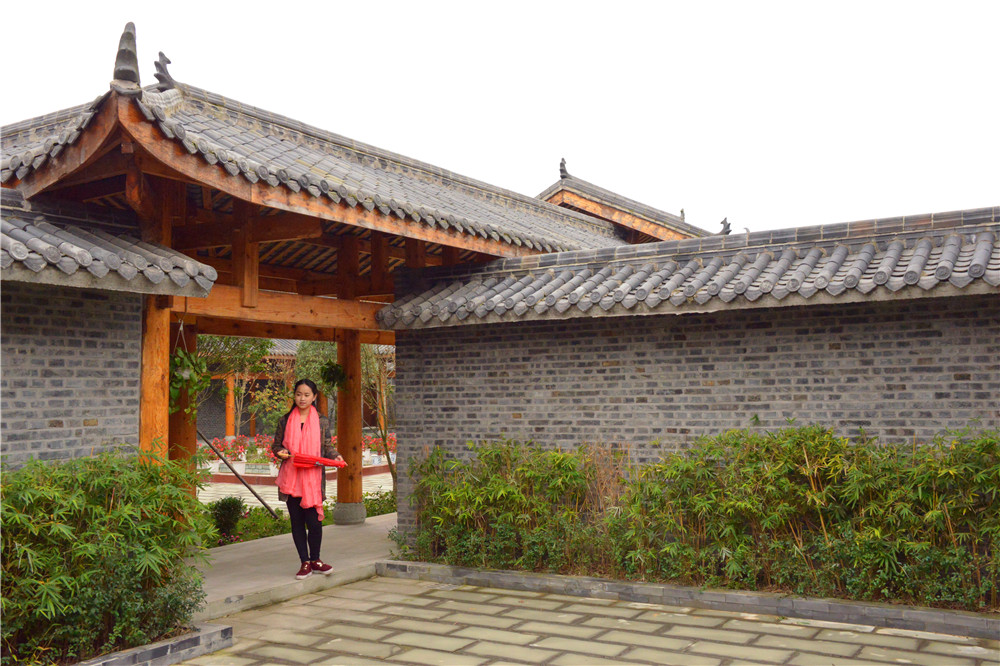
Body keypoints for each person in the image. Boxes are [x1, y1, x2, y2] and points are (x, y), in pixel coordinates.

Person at [271, 379, 343, 579]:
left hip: (312, 479)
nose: (302, 398)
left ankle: (316, 560)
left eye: (306, 395)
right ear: (294, 396)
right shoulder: (285, 420)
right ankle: (304, 562)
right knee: (297, 522)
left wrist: (336, 456)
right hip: (291, 478)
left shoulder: (322, 421)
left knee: (314, 522)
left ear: (314, 397)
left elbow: (326, 446)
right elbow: (276, 445)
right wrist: (281, 452)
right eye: (298, 394)